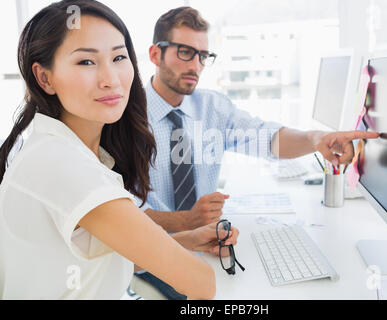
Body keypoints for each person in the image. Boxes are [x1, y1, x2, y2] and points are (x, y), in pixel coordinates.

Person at [0, 0, 240, 300]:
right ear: (44, 77)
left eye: (118, 57)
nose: (111, 79)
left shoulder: (69, 149)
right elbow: (203, 285)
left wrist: (187, 239)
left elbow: (110, 251)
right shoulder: (60, 162)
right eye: (86, 62)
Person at [138, 6, 379, 298]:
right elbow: (119, 214)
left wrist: (316, 139)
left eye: (203, 56)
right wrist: (185, 222)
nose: (196, 66)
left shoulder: (212, 107)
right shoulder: (124, 120)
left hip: (208, 246)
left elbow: (268, 139)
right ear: (155, 54)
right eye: (185, 52)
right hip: (150, 254)